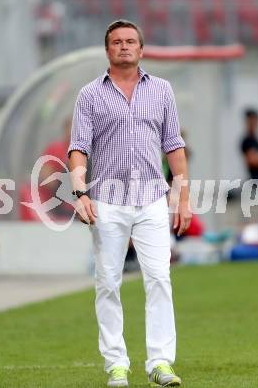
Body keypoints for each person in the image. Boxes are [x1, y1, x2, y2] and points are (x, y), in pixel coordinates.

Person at [68, 20, 191, 387]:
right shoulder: (89, 95)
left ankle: (160, 363)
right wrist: (80, 193)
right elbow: (78, 149)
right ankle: (116, 365)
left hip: (152, 199)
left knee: (159, 279)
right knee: (107, 282)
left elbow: (175, 148)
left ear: (141, 49)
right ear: (107, 50)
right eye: (117, 42)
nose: (124, 46)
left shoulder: (162, 91)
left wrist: (182, 199)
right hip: (107, 201)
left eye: (130, 41)